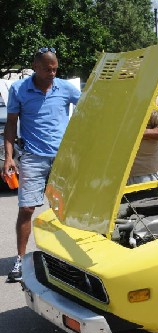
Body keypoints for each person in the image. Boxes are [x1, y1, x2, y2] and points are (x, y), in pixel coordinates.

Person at [3, 47, 80, 282]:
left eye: (55, 68)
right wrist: (8, 158)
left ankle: (71, 258)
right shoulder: (19, 89)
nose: (52, 73)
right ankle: (20, 259)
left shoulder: (66, 88)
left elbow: (91, 109)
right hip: (33, 157)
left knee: (67, 210)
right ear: (35, 67)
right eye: (48, 69)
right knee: (26, 208)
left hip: (64, 158)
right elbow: (10, 126)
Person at [127, 95, 158, 185]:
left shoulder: (155, 100)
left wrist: (136, 132)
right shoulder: (117, 97)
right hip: (115, 174)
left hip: (144, 174)